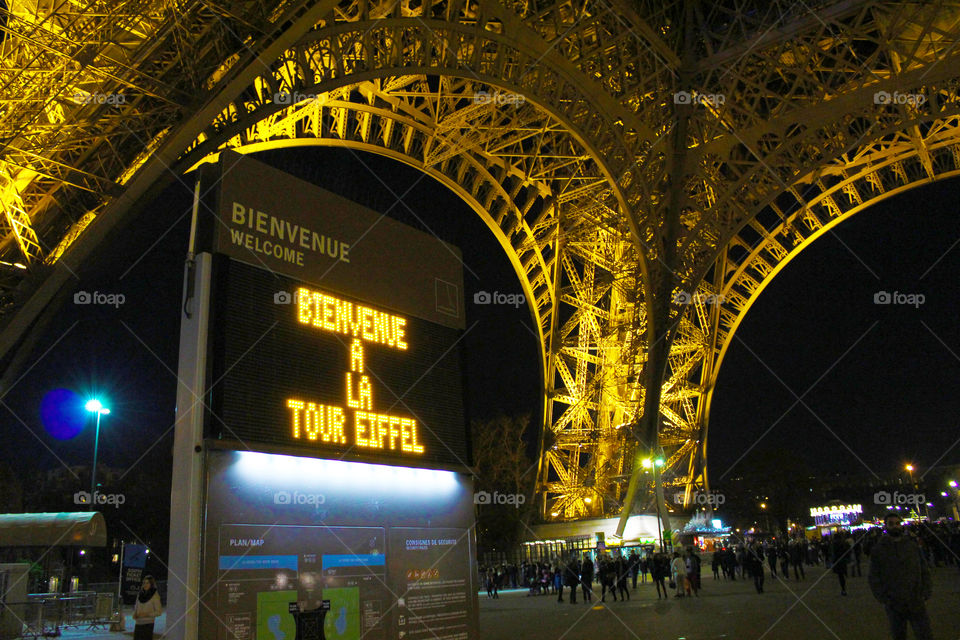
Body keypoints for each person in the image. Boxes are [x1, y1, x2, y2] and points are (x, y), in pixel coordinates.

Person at [869, 515, 934, 640]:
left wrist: (926, 591)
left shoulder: (912, 546)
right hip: (894, 602)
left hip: (915, 599)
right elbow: (874, 576)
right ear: (886, 526)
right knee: (899, 635)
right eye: (891, 524)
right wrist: (883, 597)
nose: (895, 526)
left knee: (924, 634)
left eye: (898, 523)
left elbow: (924, 569)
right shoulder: (879, 550)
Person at [133, 575, 162, 640]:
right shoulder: (140, 594)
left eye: (147, 583)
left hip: (148, 623)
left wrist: (147, 614)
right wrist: (135, 614)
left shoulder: (155, 596)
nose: (145, 585)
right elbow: (136, 606)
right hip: (138, 623)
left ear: (151, 584)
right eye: (144, 583)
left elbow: (159, 612)